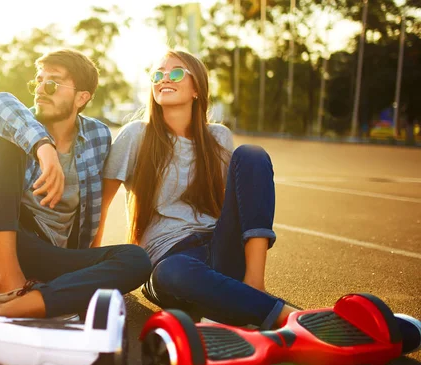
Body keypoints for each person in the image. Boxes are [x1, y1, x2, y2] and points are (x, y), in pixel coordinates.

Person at [93, 49, 421, 340]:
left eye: (176, 73)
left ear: (196, 88)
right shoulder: (136, 135)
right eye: (157, 74)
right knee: (172, 273)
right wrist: (90, 267)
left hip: (220, 250)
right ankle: (290, 318)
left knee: (251, 154)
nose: (165, 79)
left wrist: (249, 276)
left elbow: (234, 204)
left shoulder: (217, 137)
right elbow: (102, 204)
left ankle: (251, 291)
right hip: (170, 261)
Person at [0, 48, 151, 319]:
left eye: (52, 83)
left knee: (136, 259)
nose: (40, 90)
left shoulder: (97, 135)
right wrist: (44, 147)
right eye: (38, 80)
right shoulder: (17, 120)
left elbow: (94, 208)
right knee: (2, 137)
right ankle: (7, 281)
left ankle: (22, 304)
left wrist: (92, 268)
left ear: (82, 97)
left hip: (43, 251)